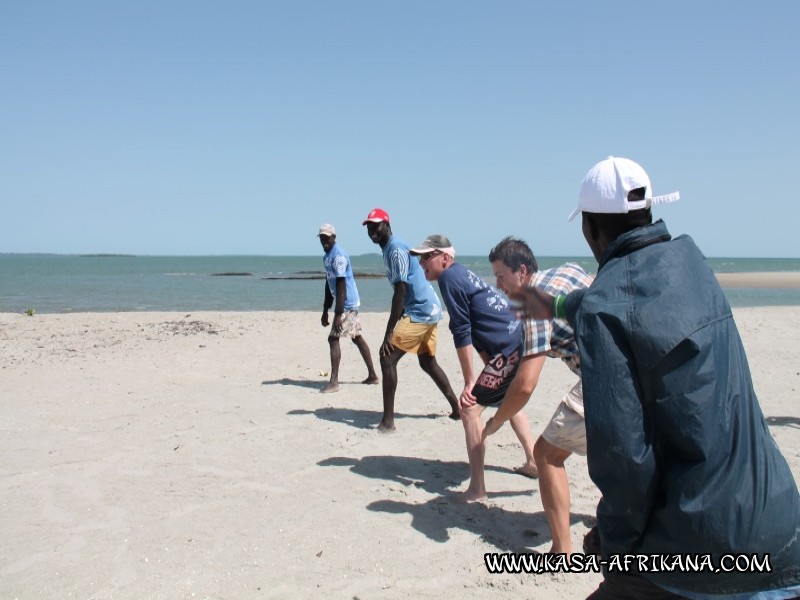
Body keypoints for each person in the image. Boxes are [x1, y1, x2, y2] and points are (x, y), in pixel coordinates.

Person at [516, 156, 800, 598]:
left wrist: (612, 542)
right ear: (648, 212)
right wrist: (554, 305)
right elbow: (616, 300)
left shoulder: (605, 307)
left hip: (706, 547)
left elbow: (625, 458)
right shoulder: (692, 262)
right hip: (781, 526)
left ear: (590, 229)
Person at [481, 236, 593, 553]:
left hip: (603, 376)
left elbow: (526, 384)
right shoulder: (567, 270)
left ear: (523, 271)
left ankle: (562, 552)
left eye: (501, 277)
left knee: (545, 454)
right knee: (608, 449)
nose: (498, 285)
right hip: (633, 365)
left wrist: (496, 422)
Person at [409, 234, 537, 502]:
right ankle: (533, 461)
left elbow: (462, 329)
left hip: (507, 349)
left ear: (445, 257)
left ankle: (478, 489)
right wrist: (486, 369)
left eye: (427, 256)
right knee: (507, 398)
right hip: (515, 340)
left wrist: (470, 382)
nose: (422, 263)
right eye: (420, 258)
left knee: (468, 409)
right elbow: (481, 325)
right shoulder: (460, 275)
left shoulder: (448, 278)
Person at [362, 208, 460, 432]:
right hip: (431, 308)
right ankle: (457, 408)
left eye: (376, 225)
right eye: (368, 227)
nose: (372, 230)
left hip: (420, 311)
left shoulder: (395, 249)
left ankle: (388, 422)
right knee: (427, 362)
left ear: (387, 224)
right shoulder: (392, 247)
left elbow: (401, 291)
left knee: (387, 358)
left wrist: (390, 331)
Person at [318, 223, 379, 393]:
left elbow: (341, 285)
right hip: (343, 302)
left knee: (333, 339)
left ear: (334, 238)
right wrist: (325, 309)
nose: (324, 241)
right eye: (322, 237)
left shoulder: (339, 256)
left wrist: (338, 314)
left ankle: (334, 382)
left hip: (347, 303)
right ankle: (373, 375)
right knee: (356, 337)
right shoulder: (327, 256)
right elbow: (328, 283)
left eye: (327, 238)